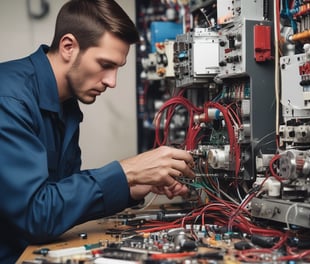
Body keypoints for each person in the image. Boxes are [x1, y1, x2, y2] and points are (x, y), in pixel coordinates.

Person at [0, 0, 195, 262]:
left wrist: (133, 186)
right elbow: (37, 215)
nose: (111, 82)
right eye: (105, 64)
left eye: (117, 68)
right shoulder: (9, 98)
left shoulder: (66, 103)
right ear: (68, 47)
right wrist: (128, 172)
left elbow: (59, 195)